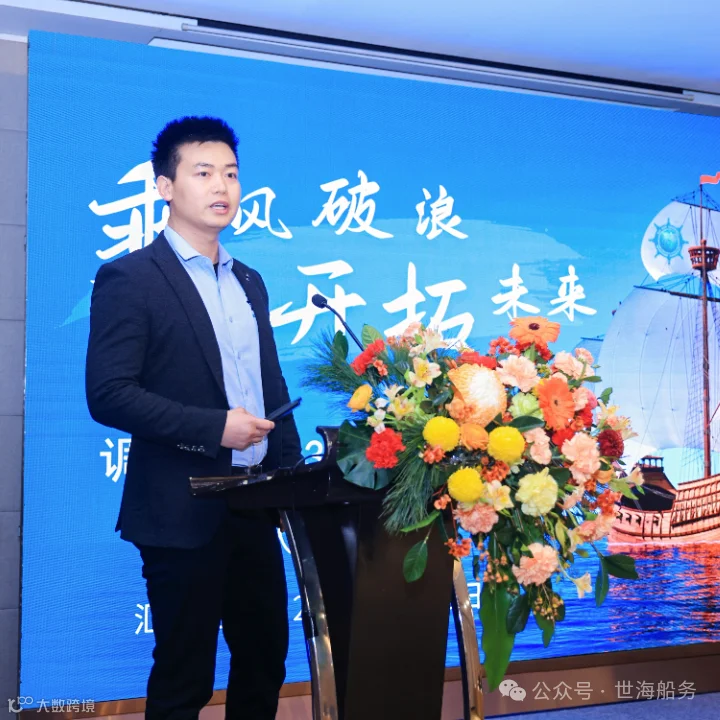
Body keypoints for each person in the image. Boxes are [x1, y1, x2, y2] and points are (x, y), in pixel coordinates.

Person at [85, 116, 302, 720]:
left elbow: (271, 386)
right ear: (165, 186)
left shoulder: (249, 280)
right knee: (185, 678)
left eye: (230, 174)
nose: (221, 187)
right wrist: (215, 428)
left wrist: (294, 489)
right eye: (203, 173)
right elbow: (109, 394)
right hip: (180, 509)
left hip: (254, 504)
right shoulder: (131, 278)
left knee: (264, 662)